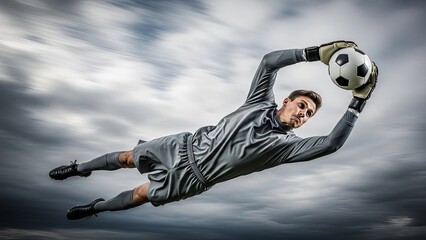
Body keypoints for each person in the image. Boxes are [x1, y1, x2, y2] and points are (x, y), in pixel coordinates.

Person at [49, 40, 378, 220]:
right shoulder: (259, 102)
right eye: (302, 106)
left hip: (194, 179)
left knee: (139, 195)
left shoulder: (286, 147)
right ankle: (79, 168)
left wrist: (358, 102)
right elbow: (268, 62)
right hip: (182, 146)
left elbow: (333, 143)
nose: (303, 115)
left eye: (308, 115)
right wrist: (313, 54)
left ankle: (95, 208)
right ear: (288, 100)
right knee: (126, 158)